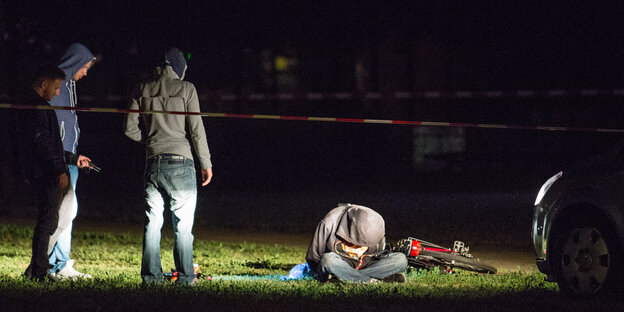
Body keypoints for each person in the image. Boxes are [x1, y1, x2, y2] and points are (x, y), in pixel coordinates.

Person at [125, 47, 213, 286]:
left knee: (152, 222)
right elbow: (196, 129)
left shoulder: (141, 88)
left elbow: (129, 129)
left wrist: (152, 140)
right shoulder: (187, 89)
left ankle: (151, 278)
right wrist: (206, 163)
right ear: (179, 66)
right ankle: (185, 277)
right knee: (182, 225)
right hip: (182, 163)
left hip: (153, 162)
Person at [14, 65, 70, 281]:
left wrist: (72, 159)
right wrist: (58, 169)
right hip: (45, 173)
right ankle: (38, 272)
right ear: (44, 84)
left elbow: (48, 143)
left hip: (42, 170)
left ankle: (38, 269)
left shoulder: (32, 105)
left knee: (49, 220)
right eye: (56, 87)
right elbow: (41, 142)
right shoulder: (37, 108)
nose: (57, 92)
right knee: (47, 221)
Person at [47, 43, 96, 280]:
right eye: (84, 67)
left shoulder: (68, 87)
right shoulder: (56, 87)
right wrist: (66, 158)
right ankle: (53, 264)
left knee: (68, 211)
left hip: (70, 159)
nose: (85, 72)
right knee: (62, 212)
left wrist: (75, 155)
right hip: (62, 161)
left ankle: (58, 262)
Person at [306, 203, 408, 283]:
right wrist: (322, 272)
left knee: (401, 259)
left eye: (364, 247)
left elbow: (379, 255)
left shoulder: (377, 226)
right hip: (338, 263)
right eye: (355, 246)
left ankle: (343, 277)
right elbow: (314, 257)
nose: (359, 253)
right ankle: (370, 280)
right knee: (327, 260)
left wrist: (348, 274)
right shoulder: (329, 223)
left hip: (366, 265)